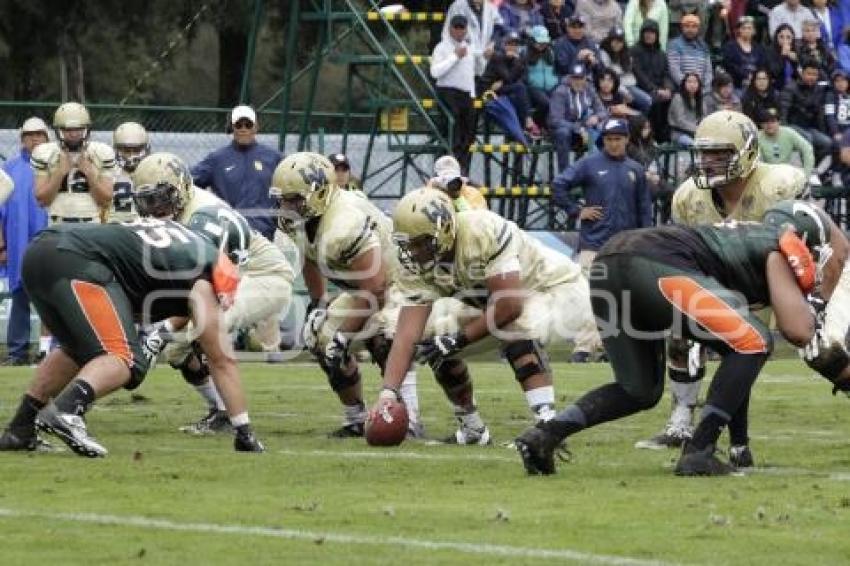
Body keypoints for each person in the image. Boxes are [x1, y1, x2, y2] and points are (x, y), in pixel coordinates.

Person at [516, 199, 848, 476]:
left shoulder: (749, 241)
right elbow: (797, 331)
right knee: (755, 341)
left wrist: (739, 445)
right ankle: (699, 449)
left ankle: (545, 435)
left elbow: (735, 362)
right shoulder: (779, 244)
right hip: (651, 262)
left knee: (638, 389)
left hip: (612, 261)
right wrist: (817, 302)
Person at [0, 216, 265, 456]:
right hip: (77, 260)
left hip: (42, 250)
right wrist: (244, 431)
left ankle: (20, 429)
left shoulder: (174, 245)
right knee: (124, 357)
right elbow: (221, 360)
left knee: (78, 348)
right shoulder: (205, 266)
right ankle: (68, 411)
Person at [635, 110, 806, 451]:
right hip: (720, 281)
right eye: (704, 153)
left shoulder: (777, 184)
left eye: (721, 153)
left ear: (748, 151)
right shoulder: (688, 197)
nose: (709, 162)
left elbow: (803, 240)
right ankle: (682, 421)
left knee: (819, 346)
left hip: (775, 276)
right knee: (681, 333)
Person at [371, 187, 597, 441]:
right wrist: (387, 394)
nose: (412, 251)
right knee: (434, 338)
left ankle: (547, 428)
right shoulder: (414, 265)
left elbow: (509, 306)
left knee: (512, 327)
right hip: (500, 304)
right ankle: (473, 429)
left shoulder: (481, 230)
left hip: (559, 290)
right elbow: (406, 335)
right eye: (407, 244)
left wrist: (458, 340)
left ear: (443, 230)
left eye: (419, 243)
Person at [133, 153, 295, 434]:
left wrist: (162, 329)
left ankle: (230, 417)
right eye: (149, 200)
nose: (156, 208)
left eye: (162, 197)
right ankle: (219, 410)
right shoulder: (176, 212)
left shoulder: (201, 216)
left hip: (263, 277)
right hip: (228, 277)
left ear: (181, 187)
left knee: (202, 329)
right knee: (176, 350)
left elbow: (201, 287)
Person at [268, 152, 422, 438]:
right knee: (319, 336)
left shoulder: (344, 223)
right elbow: (309, 255)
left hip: (403, 285)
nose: (286, 206)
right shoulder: (300, 219)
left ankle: (409, 418)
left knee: (384, 333)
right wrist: (319, 301)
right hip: (367, 287)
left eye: (294, 199)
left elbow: (376, 289)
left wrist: (344, 336)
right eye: (284, 199)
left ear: (320, 192)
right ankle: (356, 416)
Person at [552, 118, 653, 361]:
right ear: (604, 141)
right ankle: (584, 348)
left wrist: (645, 242)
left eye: (618, 139)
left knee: (619, 299)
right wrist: (577, 210)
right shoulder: (589, 164)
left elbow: (644, 210)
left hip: (625, 246)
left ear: (627, 140)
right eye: (609, 139)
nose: (614, 144)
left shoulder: (636, 170)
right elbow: (558, 185)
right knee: (590, 297)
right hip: (593, 243)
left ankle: (607, 348)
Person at [191, 105, 280, 243]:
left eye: (248, 124)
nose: (243, 129)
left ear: (256, 127)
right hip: (228, 235)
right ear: (232, 128)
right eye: (239, 125)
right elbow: (188, 182)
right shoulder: (216, 159)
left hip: (266, 236)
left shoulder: (274, 158)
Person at [0, 118, 49, 366]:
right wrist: (2, 245)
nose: (35, 139)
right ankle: (17, 352)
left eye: (40, 134)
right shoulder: (9, 169)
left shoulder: (56, 165)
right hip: (18, 244)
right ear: (22, 139)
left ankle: (50, 352)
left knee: (51, 297)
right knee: (19, 295)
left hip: (48, 243)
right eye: (30, 135)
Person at [32, 102, 115, 224]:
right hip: (58, 224)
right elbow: (42, 201)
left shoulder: (100, 153)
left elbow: (105, 201)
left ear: (87, 130)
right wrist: (59, 173)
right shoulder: (46, 153)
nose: (73, 134)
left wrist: (90, 175)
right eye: (67, 130)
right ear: (58, 131)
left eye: (79, 129)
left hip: (91, 223)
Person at [431, 14, 477, 175]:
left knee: (469, 134)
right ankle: (448, 172)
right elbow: (435, 72)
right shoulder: (441, 47)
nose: (459, 31)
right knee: (454, 132)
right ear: (450, 28)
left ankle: (463, 171)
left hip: (466, 94)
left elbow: (470, 73)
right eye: (455, 27)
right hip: (448, 91)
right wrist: (455, 57)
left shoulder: (469, 48)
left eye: (461, 28)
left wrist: (472, 94)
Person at [479, 31, 540, 139]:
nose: (512, 47)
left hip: (504, 89)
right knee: (519, 88)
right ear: (504, 44)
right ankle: (527, 121)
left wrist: (503, 81)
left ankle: (522, 132)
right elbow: (509, 77)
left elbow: (523, 78)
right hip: (488, 91)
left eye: (515, 44)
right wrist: (516, 63)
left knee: (523, 93)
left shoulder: (519, 58)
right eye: (510, 44)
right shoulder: (498, 56)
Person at [548, 63, 607, 170]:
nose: (578, 82)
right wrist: (578, 128)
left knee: (605, 131)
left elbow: (602, 111)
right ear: (570, 78)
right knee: (563, 132)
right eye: (575, 78)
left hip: (585, 129)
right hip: (565, 131)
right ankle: (564, 173)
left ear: (585, 78)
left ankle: (601, 171)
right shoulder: (560, 92)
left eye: (581, 78)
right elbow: (555, 120)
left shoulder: (589, 89)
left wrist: (597, 117)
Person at [780, 58, 833, 165]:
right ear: (802, 73)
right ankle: (806, 168)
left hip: (809, 128)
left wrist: (822, 130)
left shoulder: (818, 90)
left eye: (815, 75)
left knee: (828, 142)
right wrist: (784, 132)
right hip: (791, 126)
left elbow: (819, 114)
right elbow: (783, 112)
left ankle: (813, 167)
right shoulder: (790, 88)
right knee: (807, 138)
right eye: (809, 74)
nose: (812, 77)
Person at [631, 19, 674, 141]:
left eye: (652, 32)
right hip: (643, 89)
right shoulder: (635, 51)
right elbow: (639, 75)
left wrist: (668, 89)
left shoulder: (661, 54)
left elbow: (667, 74)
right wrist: (655, 89)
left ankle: (668, 138)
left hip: (661, 89)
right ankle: (655, 138)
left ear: (657, 35)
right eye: (646, 32)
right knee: (655, 101)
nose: (649, 35)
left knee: (674, 99)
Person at [442, 0, 503, 77]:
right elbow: (452, 36)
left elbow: (498, 26)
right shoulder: (458, 6)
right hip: (461, 63)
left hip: (483, 62)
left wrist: (492, 44)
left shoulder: (490, 7)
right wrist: (479, 52)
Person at [598, 26, 652, 112]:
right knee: (646, 100)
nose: (617, 44)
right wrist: (625, 92)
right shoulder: (604, 53)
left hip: (631, 84)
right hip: (618, 87)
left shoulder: (625, 53)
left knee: (649, 99)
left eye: (620, 41)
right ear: (609, 40)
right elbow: (612, 79)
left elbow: (633, 71)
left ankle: (639, 121)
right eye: (614, 41)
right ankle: (636, 119)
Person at [109, 121, 149, 223]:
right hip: (114, 226)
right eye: (126, 150)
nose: (131, 155)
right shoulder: (108, 172)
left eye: (136, 150)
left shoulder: (152, 170)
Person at [757, 108, 815, 179]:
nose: (769, 125)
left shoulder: (788, 132)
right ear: (761, 124)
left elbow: (807, 149)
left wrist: (806, 175)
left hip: (787, 174)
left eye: (773, 121)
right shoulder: (757, 137)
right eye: (766, 122)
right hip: (767, 175)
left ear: (779, 122)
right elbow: (757, 163)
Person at [524, 25, 560, 130]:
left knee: (558, 104)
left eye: (544, 42)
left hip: (552, 87)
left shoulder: (551, 53)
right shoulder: (525, 53)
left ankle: (548, 129)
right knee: (546, 104)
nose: (542, 45)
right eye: (539, 42)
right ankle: (536, 125)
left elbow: (557, 69)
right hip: (533, 87)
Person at [667, 13, 714, 93]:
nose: (690, 30)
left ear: (698, 29)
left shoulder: (704, 46)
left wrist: (705, 88)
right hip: (682, 91)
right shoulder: (674, 45)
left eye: (694, 27)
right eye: (687, 26)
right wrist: (690, 86)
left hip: (702, 91)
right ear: (682, 28)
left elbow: (708, 71)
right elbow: (674, 70)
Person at [722, 15, 768, 91]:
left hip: (755, 84)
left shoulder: (759, 48)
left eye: (749, 28)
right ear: (739, 30)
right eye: (744, 28)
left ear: (754, 31)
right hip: (736, 85)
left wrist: (754, 78)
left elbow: (762, 66)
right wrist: (746, 76)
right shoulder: (730, 46)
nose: (747, 30)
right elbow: (729, 65)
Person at [668, 72, 706, 146]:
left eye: (695, 82)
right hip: (680, 133)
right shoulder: (678, 98)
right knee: (694, 144)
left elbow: (703, 117)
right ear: (684, 84)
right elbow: (680, 121)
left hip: (697, 133)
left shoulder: (701, 100)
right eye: (689, 82)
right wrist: (696, 129)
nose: (692, 84)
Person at [766, 24, 801, 90]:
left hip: (794, 89)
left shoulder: (796, 51)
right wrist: (783, 56)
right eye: (781, 37)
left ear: (792, 38)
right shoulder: (769, 51)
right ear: (776, 38)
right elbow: (774, 72)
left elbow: (799, 75)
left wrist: (796, 61)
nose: (785, 40)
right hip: (776, 88)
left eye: (788, 37)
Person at [826, 69, 850, 145]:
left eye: (843, 80)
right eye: (837, 81)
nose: (840, 83)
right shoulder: (830, 96)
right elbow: (830, 116)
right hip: (838, 130)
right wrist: (836, 132)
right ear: (833, 83)